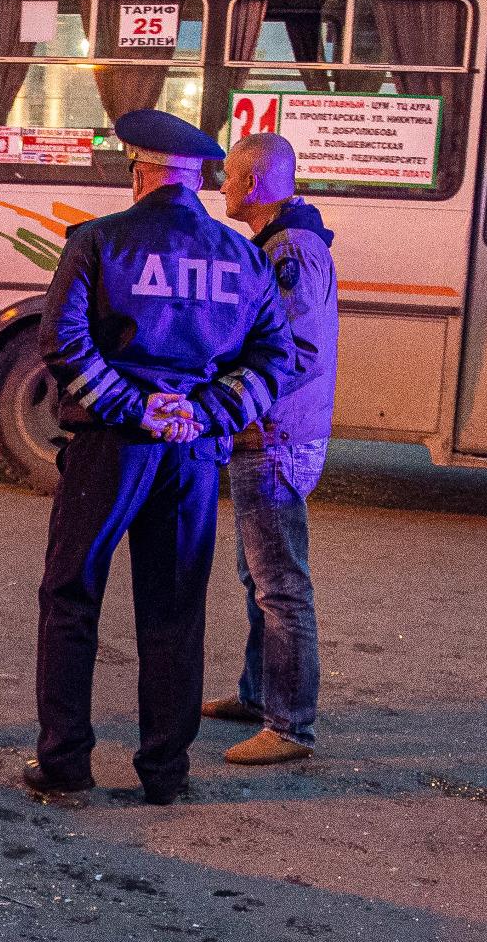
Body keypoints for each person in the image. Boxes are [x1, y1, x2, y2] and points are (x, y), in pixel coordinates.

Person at [25, 109, 305, 806]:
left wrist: (132, 405)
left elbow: (62, 344)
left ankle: (65, 766)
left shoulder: (97, 242)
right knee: (174, 610)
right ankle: (165, 772)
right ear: (200, 177)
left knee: (72, 598)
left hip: (110, 449)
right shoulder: (241, 255)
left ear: (139, 171)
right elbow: (275, 357)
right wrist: (205, 411)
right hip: (192, 456)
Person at [201, 131, 339, 765]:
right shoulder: (281, 243)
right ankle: (258, 695)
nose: (221, 186)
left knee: (280, 585)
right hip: (265, 431)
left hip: (275, 435)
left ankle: (289, 725)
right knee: (258, 575)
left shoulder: (290, 251)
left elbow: (297, 352)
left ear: (252, 184)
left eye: (229, 175)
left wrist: (236, 398)